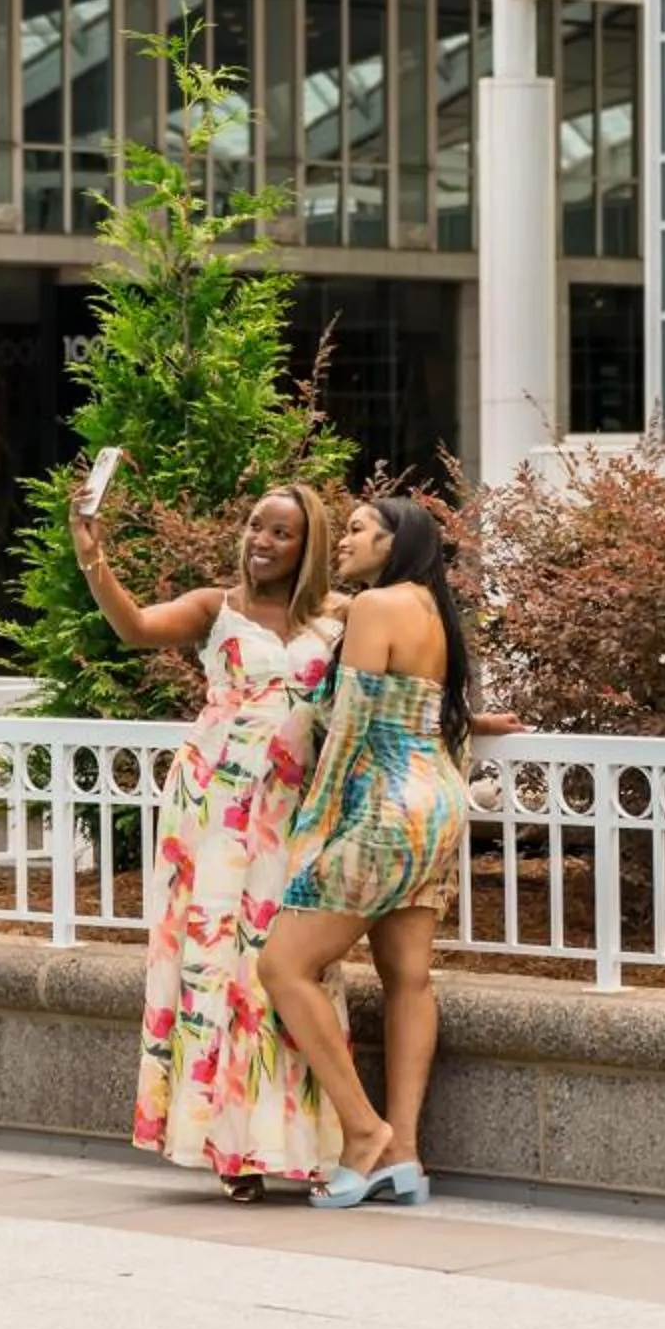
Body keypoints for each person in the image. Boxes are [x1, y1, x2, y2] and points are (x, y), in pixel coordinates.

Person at [70, 480, 346, 1198]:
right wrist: (92, 555)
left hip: (292, 810)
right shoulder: (214, 607)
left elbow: (399, 678)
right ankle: (229, 1150)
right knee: (215, 964)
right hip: (213, 808)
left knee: (285, 965)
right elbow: (135, 627)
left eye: (281, 532)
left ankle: (301, 1145)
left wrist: (472, 718)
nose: (262, 540)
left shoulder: (339, 618)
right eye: (256, 525)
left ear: (307, 545)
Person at [259, 495, 504, 1208]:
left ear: (396, 542)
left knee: (284, 965)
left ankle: (364, 1133)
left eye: (360, 530)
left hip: (384, 807)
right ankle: (404, 1153)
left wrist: (313, 831)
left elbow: (351, 728)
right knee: (408, 977)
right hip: (438, 801)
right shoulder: (433, 609)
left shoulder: (374, 607)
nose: (344, 539)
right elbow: (432, 713)